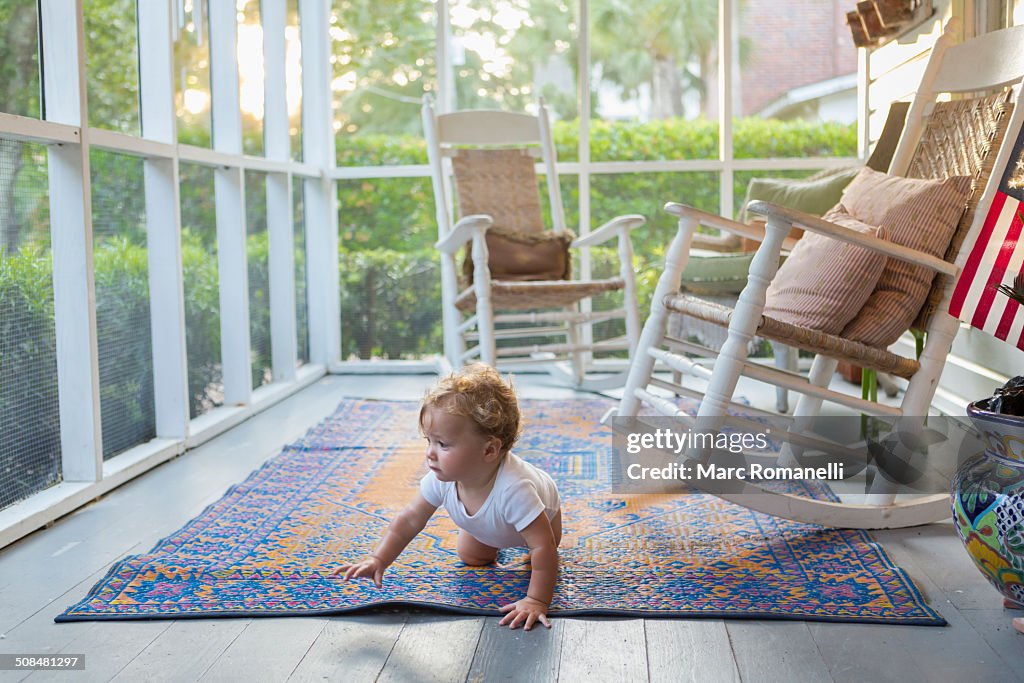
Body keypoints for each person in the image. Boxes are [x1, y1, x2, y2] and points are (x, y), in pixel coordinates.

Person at [335, 363, 562, 631]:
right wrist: (378, 559)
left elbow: (543, 547)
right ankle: (491, 537)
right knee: (471, 556)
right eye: (429, 441)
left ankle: (509, 546)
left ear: (489, 450)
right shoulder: (441, 478)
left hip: (543, 519)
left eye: (442, 444)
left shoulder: (516, 489)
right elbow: (409, 520)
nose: (430, 453)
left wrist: (536, 600)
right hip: (492, 525)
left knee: (538, 555)